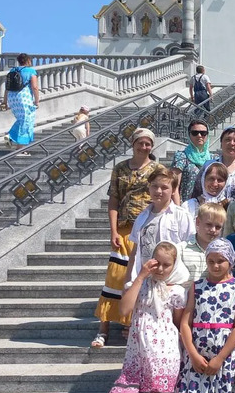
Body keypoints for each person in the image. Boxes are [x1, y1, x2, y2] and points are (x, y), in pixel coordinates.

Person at [92, 128, 165, 349]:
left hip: (148, 228)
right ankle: (103, 329)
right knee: (116, 277)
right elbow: (114, 200)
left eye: (147, 144)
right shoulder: (120, 168)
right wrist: (113, 230)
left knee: (142, 278)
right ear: (133, 144)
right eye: (140, 143)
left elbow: (168, 194)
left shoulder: (158, 168)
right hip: (124, 229)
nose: (144, 147)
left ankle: (133, 324)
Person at [104, 241, 188, 393]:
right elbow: (124, 310)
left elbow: (178, 323)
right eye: (157, 263)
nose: (161, 269)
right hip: (137, 353)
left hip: (164, 355)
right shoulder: (138, 286)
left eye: (167, 265)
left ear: (174, 265)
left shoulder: (177, 291)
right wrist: (141, 276)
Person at [175, 239, 235, 393]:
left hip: (224, 361)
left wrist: (220, 358)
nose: (215, 266)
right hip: (197, 360)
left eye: (220, 261)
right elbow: (185, 323)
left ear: (230, 261)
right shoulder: (197, 286)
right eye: (211, 261)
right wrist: (192, 354)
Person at [126, 168, 195, 283]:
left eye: (164, 187)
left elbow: (189, 250)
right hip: (145, 281)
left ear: (173, 190)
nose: (158, 191)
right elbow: (135, 252)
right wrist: (128, 280)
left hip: (171, 282)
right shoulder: (142, 217)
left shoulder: (181, 216)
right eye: (154, 186)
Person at [1, 53, 40, 154]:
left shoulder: (13, 70)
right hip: (24, 97)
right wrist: (37, 101)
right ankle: (19, 148)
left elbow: (7, 87)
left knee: (22, 120)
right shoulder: (31, 71)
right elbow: (35, 87)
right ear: (28, 61)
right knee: (26, 121)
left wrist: (4, 101)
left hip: (12, 98)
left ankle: (14, 141)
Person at [195, 127, 235, 200]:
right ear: (221, 143)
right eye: (227, 140)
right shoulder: (209, 166)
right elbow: (197, 191)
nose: (232, 143)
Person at [172, 120, 219, 203]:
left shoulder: (214, 158)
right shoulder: (181, 157)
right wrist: (178, 209)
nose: (199, 135)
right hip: (187, 206)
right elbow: (174, 186)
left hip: (208, 207)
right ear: (189, 135)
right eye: (195, 133)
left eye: (203, 133)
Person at [182, 202, 225, 286]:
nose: (213, 230)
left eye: (218, 227)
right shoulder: (181, 250)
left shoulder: (223, 253)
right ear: (198, 222)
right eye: (209, 224)